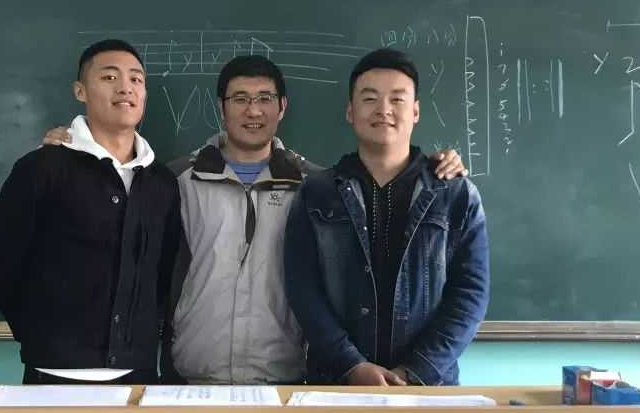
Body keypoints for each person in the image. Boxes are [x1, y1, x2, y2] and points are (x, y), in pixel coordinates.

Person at [41, 54, 467, 384]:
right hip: (188, 374)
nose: (253, 111)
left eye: (264, 99)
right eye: (240, 99)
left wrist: (435, 165)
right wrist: (73, 147)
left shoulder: (318, 187)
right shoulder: (173, 179)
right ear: (221, 107)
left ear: (282, 107)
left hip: (285, 377)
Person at [0, 39, 181, 384]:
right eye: (109, 77)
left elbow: (163, 274)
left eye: (136, 79)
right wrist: (41, 330)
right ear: (80, 91)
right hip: (54, 374)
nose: (125, 88)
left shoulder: (161, 182)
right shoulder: (42, 168)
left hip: (139, 374)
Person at [283, 48, 489, 386]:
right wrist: (352, 366)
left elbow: (470, 295)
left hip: (429, 388)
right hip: (336, 385)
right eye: (369, 98)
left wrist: (416, 370)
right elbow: (303, 290)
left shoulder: (455, 194)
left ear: (416, 111)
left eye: (397, 99)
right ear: (350, 111)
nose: (384, 109)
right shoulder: (316, 193)